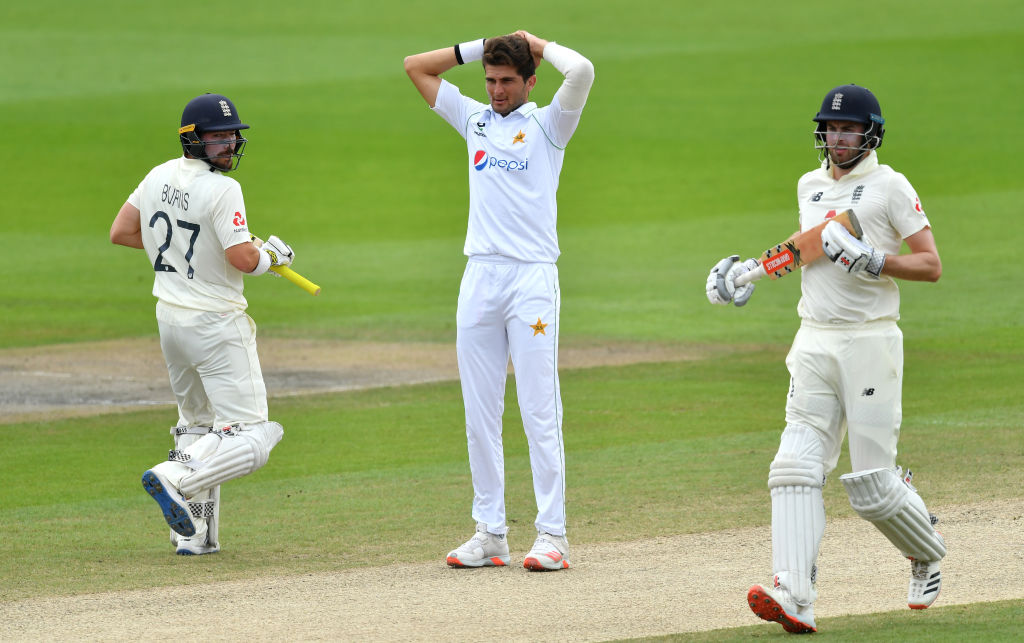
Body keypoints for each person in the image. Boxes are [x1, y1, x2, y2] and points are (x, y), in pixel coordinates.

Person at [706, 84, 946, 633]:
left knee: (873, 489)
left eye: (849, 130)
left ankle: (927, 550)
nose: (838, 139)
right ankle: (794, 595)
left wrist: (874, 262)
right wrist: (749, 273)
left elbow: (930, 265)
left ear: (870, 133)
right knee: (792, 468)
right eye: (831, 129)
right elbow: (811, 243)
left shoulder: (890, 186)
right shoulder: (810, 183)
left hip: (869, 341)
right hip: (812, 339)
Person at [404, 32, 594, 571]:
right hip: (479, 277)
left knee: (539, 409)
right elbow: (416, 68)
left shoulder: (549, 124)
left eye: (507, 81)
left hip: (531, 279)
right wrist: (478, 46)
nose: (496, 91)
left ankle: (552, 535)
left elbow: (582, 71)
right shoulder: (475, 120)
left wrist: (539, 42)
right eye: (489, 81)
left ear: (530, 81)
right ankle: (490, 531)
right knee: (479, 411)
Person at [110, 93, 292, 555]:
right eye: (216, 137)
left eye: (232, 136)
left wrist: (179, 258)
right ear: (192, 140)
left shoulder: (157, 176)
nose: (228, 145)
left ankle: (194, 538)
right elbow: (242, 257)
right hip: (215, 324)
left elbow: (123, 232)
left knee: (196, 426)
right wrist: (272, 257)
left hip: (170, 321)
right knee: (256, 434)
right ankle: (176, 477)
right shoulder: (223, 189)